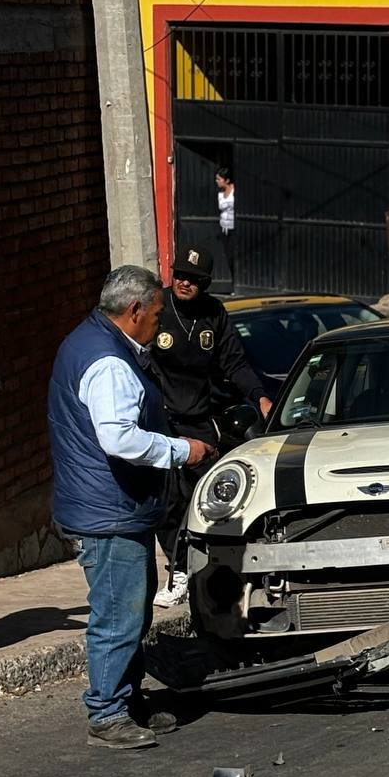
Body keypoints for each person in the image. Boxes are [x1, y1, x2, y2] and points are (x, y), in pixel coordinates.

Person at [48, 265, 216, 749]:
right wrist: (182, 450)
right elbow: (119, 438)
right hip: (109, 510)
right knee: (118, 615)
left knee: (130, 612)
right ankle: (107, 713)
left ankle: (126, 699)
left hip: (109, 504)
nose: (160, 325)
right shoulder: (108, 362)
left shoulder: (88, 341)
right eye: (157, 314)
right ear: (134, 310)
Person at [150, 245, 271, 607]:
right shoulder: (159, 307)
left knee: (197, 500)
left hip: (199, 420)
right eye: (181, 275)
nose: (185, 283)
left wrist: (260, 397)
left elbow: (234, 363)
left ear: (206, 282)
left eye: (195, 278)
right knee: (167, 504)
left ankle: (204, 570)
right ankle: (178, 570)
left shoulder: (213, 314)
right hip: (162, 420)